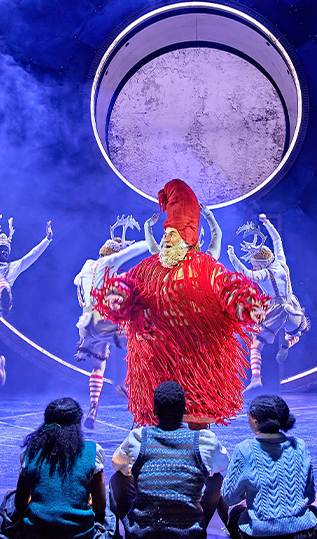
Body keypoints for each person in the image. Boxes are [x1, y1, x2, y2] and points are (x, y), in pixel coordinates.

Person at [96, 179, 267, 427]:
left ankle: (199, 445)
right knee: (159, 421)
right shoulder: (149, 266)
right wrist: (117, 296)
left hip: (197, 359)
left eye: (172, 234)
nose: (166, 239)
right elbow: (128, 285)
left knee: (198, 420)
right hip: (157, 362)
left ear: (186, 237)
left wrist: (245, 302)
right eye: (165, 233)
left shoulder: (204, 265)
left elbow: (227, 285)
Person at [110, 381, 230, 539]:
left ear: (154, 411)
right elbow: (224, 464)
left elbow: (116, 463)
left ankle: (131, 528)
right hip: (187, 535)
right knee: (215, 479)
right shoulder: (204, 441)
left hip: (145, 535)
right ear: (185, 410)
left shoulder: (138, 438)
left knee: (118, 478)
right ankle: (197, 528)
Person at [0, 397, 110, 539]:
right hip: (80, 534)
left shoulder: (32, 452)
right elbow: (100, 507)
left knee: (10, 499)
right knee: (108, 505)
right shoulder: (92, 451)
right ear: (78, 425)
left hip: (37, 533)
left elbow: (20, 504)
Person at [74, 215, 149, 429]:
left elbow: (77, 281)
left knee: (98, 366)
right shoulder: (108, 263)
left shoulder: (87, 266)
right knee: (139, 340)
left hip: (85, 325)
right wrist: (152, 242)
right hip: (101, 320)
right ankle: (128, 384)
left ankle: (93, 406)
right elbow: (134, 252)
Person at [222, 395, 317, 539]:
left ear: (255, 421)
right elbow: (310, 496)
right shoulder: (299, 446)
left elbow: (229, 498)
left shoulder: (244, 449)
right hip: (302, 534)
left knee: (235, 510)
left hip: (257, 535)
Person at [226, 215, 308, 392]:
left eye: (255, 265)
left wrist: (232, 256)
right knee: (298, 331)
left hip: (276, 309)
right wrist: (267, 223)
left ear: (261, 265)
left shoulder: (264, 274)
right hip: (291, 302)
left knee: (256, 345)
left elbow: (245, 273)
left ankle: (256, 378)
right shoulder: (281, 262)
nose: (254, 268)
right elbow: (277, 239)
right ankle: (287, 343)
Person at [0, 214, 53, 382]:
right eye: (1, 249)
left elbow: (31, 256)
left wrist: (47, 240)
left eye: (6, 250)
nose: (4, 252)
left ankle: (3, 295)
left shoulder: (13, 267)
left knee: (0, 283)